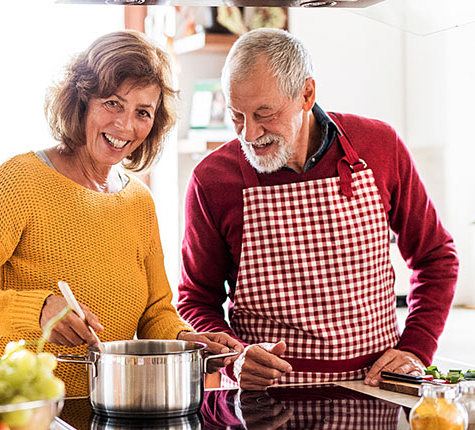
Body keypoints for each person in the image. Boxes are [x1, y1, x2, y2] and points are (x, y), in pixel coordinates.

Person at [0, 30, 241, 397]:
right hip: (19, 407)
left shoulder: (139, 201)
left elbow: (155, 314)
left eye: (142, 112)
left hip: (108, 410)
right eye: (112, 103)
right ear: (81, 99)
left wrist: (189, 341)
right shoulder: (21, 180)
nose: (125, 126)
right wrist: (38, 309)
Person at [177, 28, 458, 391]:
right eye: (237, 116)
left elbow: (437, 257)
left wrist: (417, 348)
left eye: (265, 113)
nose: (249, 133)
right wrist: (234, 360)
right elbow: (197, 300)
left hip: (376, 392)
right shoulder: (212, 180)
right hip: (265, 403)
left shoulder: (379, 146)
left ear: (306, 94)